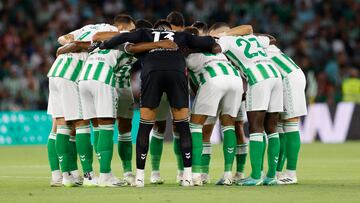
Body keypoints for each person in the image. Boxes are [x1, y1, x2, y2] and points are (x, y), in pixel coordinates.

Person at [99, 20, 217, 187]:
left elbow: (122, 37)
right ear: (170, 30)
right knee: (183, 126)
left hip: (152, 72)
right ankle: (188, 177)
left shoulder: (144, 33)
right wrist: (204, 45)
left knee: (145, 126)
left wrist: (104, 45)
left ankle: (140, 177)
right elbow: (208, 42)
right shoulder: (181, 35)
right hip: (176, 72)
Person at [210, 23, 283, 186]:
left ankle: (256, 175)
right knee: (272, 128)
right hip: (275, 75)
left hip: (258, 78)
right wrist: (244, 33)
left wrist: (215, 39)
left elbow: (215, 50)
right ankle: (271, 176)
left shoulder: (226, 40)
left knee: (256, 127)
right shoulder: (252, 38)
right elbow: (272, 40)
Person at [77, 15, 136, 187]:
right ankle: (105, 176)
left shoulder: (101, 40)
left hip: (84, 79)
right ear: (121, 28)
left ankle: (90, 176)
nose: (132, 33)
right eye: (130, 29)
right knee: (106, 126)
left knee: (93, 127)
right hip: (102, 79)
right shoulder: (115, 35)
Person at [183, 27, 244, 186]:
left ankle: (196, 175)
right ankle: (228, 175)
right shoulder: (218, 50)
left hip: (213, 81)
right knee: (228, 126)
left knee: (195, 126)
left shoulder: (188, 56)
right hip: (235, 80)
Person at [47, 26, 98, 187]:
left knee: (60, 125)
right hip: (71, 75)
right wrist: (74, 44)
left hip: (55, 72)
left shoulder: (86, 29)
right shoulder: (106, 33)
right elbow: (71, 43)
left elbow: (62, 38)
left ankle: (63, 175)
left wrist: (69, 44)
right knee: (82, 123)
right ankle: (89, 175)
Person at [258, 35, 307, 184]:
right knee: (278, 125)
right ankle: (279, 172)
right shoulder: (261, 42)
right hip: (287, 75)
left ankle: (291, 174)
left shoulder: (248, 44)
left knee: (290, 125)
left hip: (287, 78)